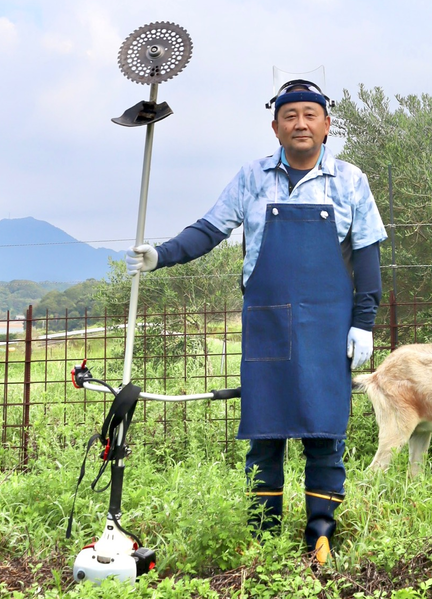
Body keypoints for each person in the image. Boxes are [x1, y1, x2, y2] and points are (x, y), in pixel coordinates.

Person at [125, 74, 387, 564]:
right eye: (290, 116)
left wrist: (364, 322)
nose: (300, 123)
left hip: (329, 326)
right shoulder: (252, 177)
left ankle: (321, 534)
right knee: (266, 430)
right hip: (267, 323)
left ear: (327, 124)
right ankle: (263, 536)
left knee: (324, 431)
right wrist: (161, 255)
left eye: (310, 115)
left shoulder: (350, 181)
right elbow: (209, 229)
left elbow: (368, 256)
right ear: (275, 127)